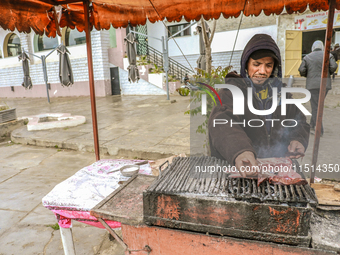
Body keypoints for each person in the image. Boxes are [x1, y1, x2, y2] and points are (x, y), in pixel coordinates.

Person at [208, 34, 310, 177]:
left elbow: (299, 121)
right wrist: (241, 150)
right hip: (242, 168)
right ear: (246, 65)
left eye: (268, 65)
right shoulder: (230, 92)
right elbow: (221, 122)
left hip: (275, 170)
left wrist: (298, 139)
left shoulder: (283, 94)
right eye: (256, 64)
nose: (262, 71)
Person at [298, 40, 337, 136]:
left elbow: (301, 70)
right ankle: (312, 125)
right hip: (325, 85)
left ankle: (319, 130)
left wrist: (309, 75)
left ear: (313, 47)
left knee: (315, 107)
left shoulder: (307, 57)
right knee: (318, 105)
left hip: (312, 86)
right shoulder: (328, 55)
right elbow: (334, 66)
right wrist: (328, 73)